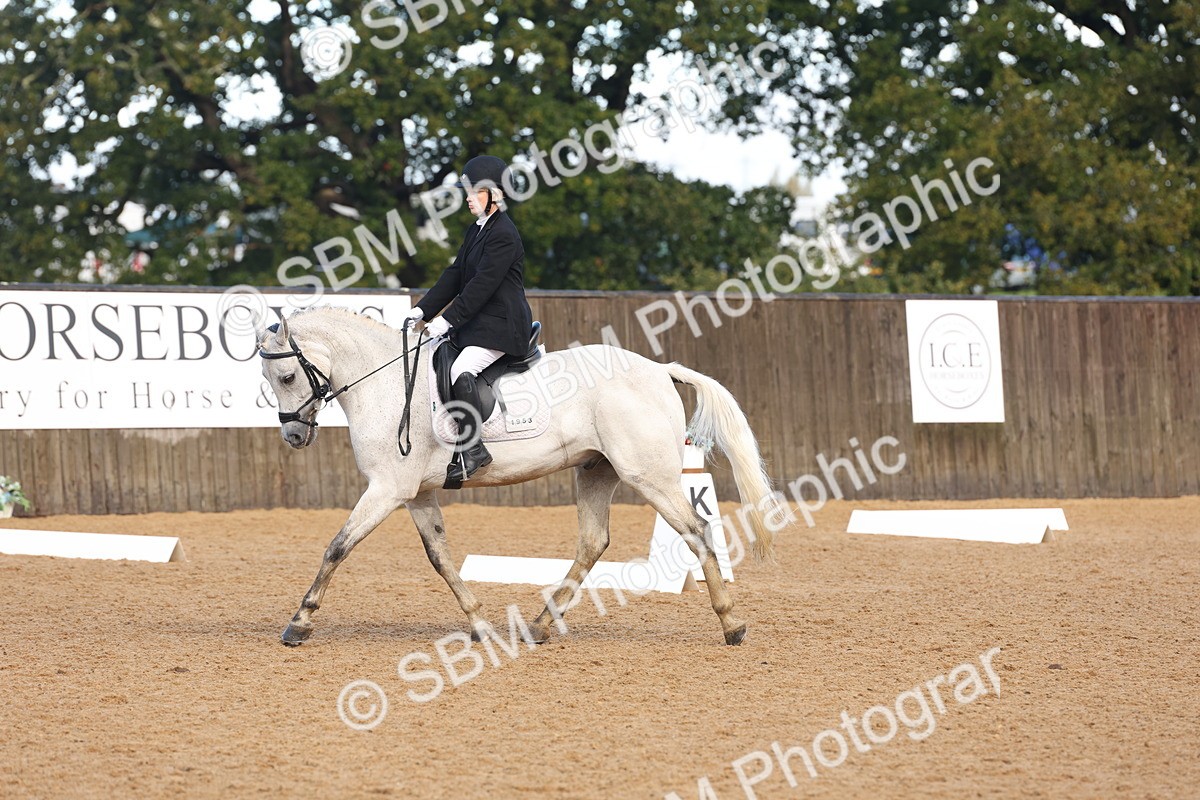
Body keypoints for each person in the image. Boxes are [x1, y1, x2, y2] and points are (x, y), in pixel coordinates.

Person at [403, 155, 534, 488]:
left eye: (474, 192)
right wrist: (423, 310)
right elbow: (456, 274)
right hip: (479, 324)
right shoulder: (477, 230)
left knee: (462, 370)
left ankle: (474, 449)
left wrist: (447, 320)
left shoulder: (504, 233)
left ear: (493, 193)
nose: (467, 198)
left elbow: (481, 286)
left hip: (503, 326)